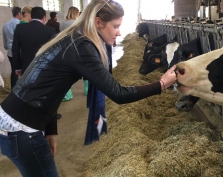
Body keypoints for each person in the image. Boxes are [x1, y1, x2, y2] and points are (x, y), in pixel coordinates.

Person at [0, 0, 176, 176]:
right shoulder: (82, 46)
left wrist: (50, 130)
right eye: (115, 26)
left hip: (16, 121)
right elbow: (118, 93)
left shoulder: (74, 38)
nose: (119, 32)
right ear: (98, 22)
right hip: (22, 128)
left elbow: (50, 88)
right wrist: (161, 84)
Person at [59, 6, 80, 100]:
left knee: (66, 71)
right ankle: (87, 90)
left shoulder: (62, 22)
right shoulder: (77, 22)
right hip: (76, 47)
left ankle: (67, 94)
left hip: (65, 47)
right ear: (76, 13)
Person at [2, 6, 22, 90]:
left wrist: (7, 47)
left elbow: (4, 40)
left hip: (10, 52)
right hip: (19, 51)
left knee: (14, 71)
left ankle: (13, 89)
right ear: (19, 14)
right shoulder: (20, 24)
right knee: (21, 70)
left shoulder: (5, 25)